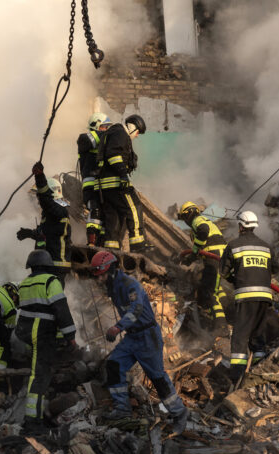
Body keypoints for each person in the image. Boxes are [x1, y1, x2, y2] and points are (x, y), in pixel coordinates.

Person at [90, 251, 189, 435]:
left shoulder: (130, 284)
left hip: (147, 337)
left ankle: (179, 413)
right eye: (98, 276)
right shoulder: (112, 286)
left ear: (111, 270)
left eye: (102, 275)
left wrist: (118, 327)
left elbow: (136, 310)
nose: (100, 279)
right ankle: (122, 409)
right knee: (114, 364)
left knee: (158, 378)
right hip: (132, 337)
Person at [15, 249, 77, 435]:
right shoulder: (51, 281)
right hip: (41, 335)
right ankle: (32, 421)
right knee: (39, 375)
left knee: (37, 372)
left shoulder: (24, 283)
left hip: (26, 334)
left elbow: (32, 310)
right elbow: (61, 310)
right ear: (47, 265)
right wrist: (70, 336)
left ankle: (33, 416)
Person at [220, 210, 279, 382]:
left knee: (240, 336)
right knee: (258, 334)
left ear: (240, 226)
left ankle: (237, 377)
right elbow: (275, 269)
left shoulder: (233, 246)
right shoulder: (266, 247)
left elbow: (223, 272)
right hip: (264, 298)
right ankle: (258, 373)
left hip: (245, 296)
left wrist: (235, 279)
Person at [96, 114, 147, 252]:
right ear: (132, 127)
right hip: (116, 184)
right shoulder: (120, 133)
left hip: (105, 187)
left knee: (114, 219)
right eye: (137, 132)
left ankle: (112, 252)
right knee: (134, 208)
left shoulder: (111, 133)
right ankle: (139, 247)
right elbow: (114, 156)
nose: (137, 136)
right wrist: (123, 176)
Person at [178, 201, 230, 330]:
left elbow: (203, 232)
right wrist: (189, 259)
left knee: (210, 290)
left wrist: (195, 249)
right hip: (220, 255)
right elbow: (199, 248)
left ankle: (220, 325)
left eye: (184, 218)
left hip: (215, 255)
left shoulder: (198, 220)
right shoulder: (203, 221)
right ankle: (228, 310)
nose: (185, 221)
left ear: (188, 214)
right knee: (216, 287)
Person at [17, 162, 72, 284]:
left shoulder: (59, 210)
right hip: (48, 264)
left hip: (55, 265)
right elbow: (47, 233)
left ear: (51, 193)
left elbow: (45, 200)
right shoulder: (51, 213)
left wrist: (40, 177)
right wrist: (30, 233)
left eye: (39, 196)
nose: (37, 200)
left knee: (50, 298)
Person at [78, 112, 112, 246]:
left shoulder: (104, 142)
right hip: (91, 184)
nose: (107, 130)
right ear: (96, 126)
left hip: (103, 183)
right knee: (95, 210)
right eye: (105, 127)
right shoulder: (85, 138)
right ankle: (91, 242)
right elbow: (94, 139)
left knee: (105, 214)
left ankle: (101, 244)